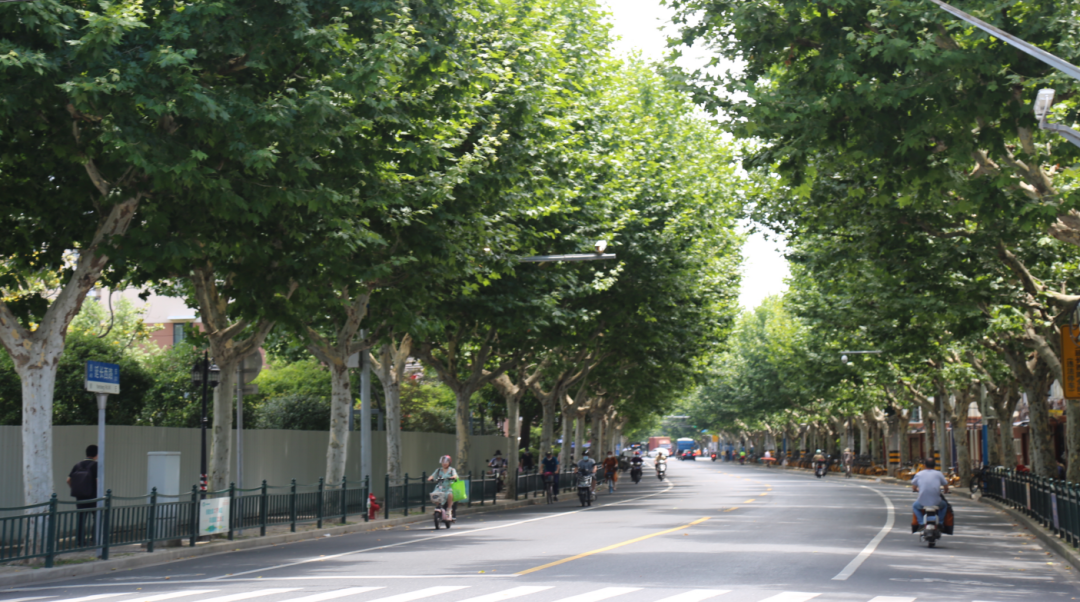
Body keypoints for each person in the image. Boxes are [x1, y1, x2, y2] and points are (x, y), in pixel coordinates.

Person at [67, 444, 98, 545]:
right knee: (98, 517)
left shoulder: (78, 465)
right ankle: (94, 539)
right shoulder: (96, 465)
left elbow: (68, 480)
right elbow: (97, 481)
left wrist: (77, 488)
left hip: (80, 497)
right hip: (93, 497)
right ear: (96, 454)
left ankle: (80, 541)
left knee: (81, 518)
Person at [911, 457, 950, 529]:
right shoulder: (939, 474)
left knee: (915, 506)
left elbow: (914, 487)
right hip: (936, 502)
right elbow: (945, 485)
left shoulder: (919, 474)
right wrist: (946, 491)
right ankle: (940, 522)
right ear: (934, 465)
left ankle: (921, 523)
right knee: (944, 505)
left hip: (922, 502)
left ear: (925, 465)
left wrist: (916, 489)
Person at [427, 455, 459, 521]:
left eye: (446, 462)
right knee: (434, 495)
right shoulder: (438, 470)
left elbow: (455, 475)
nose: (444, 463)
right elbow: (433, 475)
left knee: (450, 494)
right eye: (443, 462)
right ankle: (438, 506)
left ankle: (449, 509)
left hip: (448, 487)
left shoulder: (452, 470)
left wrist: (453, 477)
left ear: (449, 462)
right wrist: (430, 478)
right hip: (439, 488)